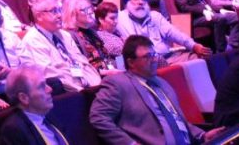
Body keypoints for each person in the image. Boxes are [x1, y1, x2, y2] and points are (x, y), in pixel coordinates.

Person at [90, 35, 224, 145]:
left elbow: (177, 120)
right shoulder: (117, 83)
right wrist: (129, 143)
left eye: (154, 54)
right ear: (131, 62)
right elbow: (98, 117)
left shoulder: (162, 83)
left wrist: (202, 135)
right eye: (147, 56)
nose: (154, 60)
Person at [18, 0, 101, 92]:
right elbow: (50, 76)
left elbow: (83, 63)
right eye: (54, 11)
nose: (59, 15)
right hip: (67, 93)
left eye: (59, 10)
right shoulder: (33, 41)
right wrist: (82, 90)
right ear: (39, 16)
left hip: (88, 86)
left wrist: (96, 85)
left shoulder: (64, 35)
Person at [116, 0, 212, 64]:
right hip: (144, 63)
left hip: (167, 57)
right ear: (127, 2)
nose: (140, 2)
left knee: (201, 59)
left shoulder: (154, 16)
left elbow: (174, 33)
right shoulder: (120, 18)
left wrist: (194, 45)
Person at [0, 65, 65, 145]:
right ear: (24, 98)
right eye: (42, 86)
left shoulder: (51, 117)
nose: (50, 89)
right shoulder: (14, 130)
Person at [63, 0, 119, 73]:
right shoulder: (68, 35)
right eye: (84, 10)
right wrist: (104, 72)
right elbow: (76, 66)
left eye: (90, 8)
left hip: (106, 74)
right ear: (73, 13)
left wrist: (114, 69)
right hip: (91, 79)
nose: (90, 12)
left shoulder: (91, 32)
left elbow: (105, 58)